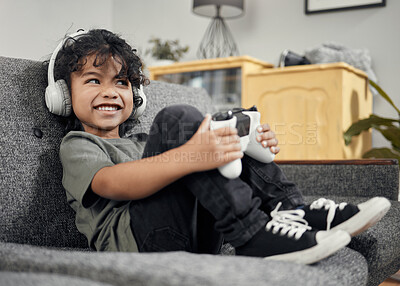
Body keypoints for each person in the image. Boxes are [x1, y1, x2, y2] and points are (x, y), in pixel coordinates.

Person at [48, 29, 390, 265]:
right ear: (64, 95)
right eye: (94, 80)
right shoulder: (78, 144)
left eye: (121, 82)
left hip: (198, 238)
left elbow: (197, 160)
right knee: (178, 120)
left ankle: (292, 209)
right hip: (139, 246)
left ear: (134, 97)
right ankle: (252, 236)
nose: (110, 92)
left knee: (222, 126)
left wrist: (244, 144)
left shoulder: (142, 142)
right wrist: (192, 154)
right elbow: (114, 184)